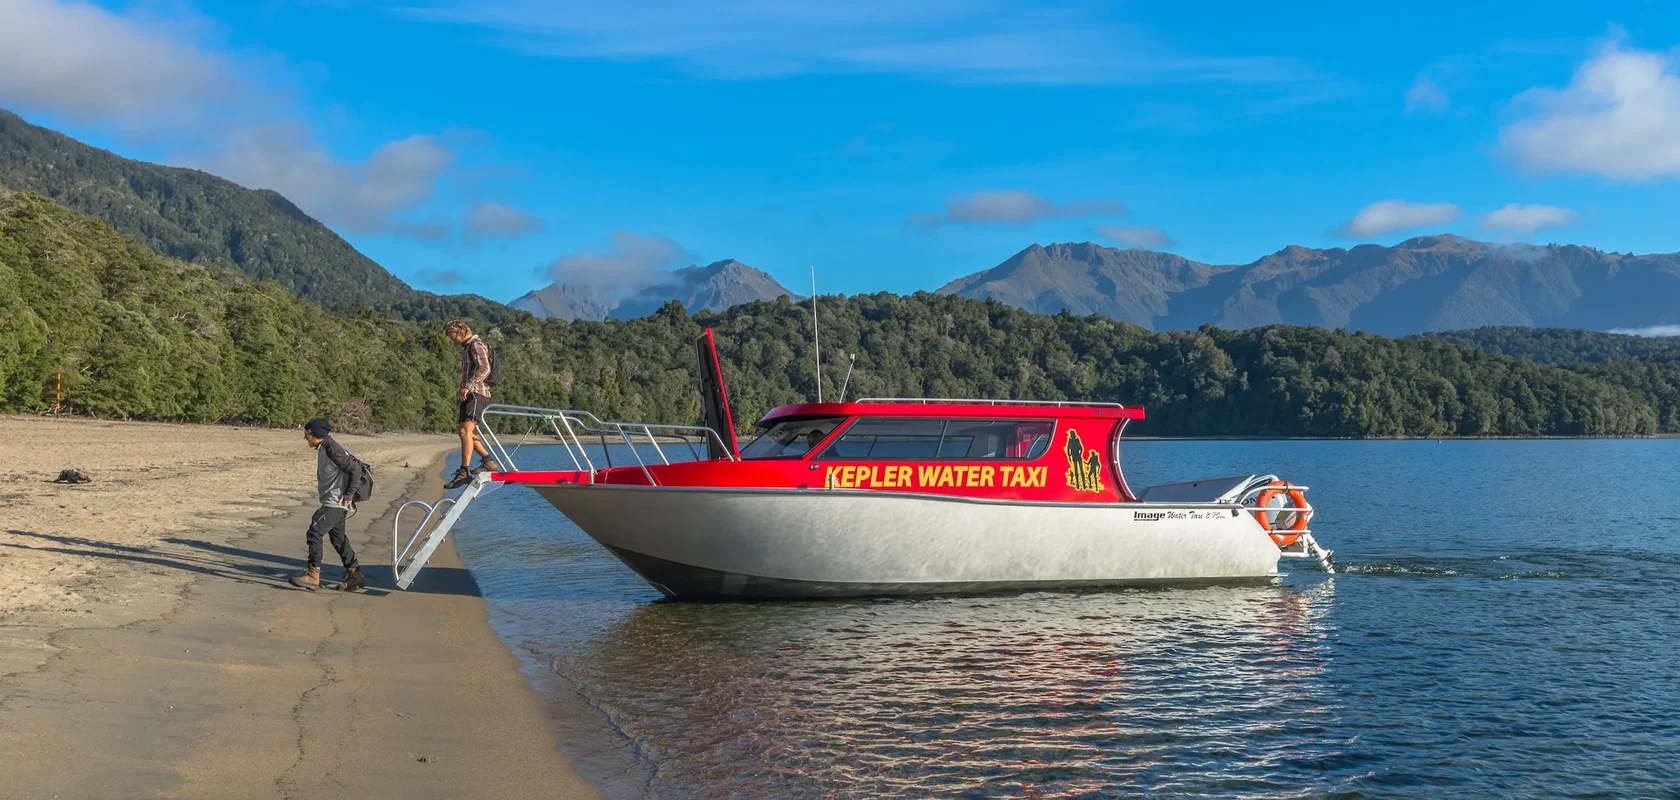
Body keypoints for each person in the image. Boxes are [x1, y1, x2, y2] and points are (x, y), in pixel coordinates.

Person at [291, 419, 366, 591]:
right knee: (338, 539)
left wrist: (348, 495)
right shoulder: (326, 446)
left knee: (314, 532)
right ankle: (355, 574)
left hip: (336, 502)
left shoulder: (332, 449)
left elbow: (355, 470)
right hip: (336, 502)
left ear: (314, 434)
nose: (305, 438)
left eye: (306, 434)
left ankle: (313, 575)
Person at [444, 320, 502, 489]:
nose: (451, 340)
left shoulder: (476, 344)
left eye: (452, 336)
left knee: (465, 431)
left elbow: (485, 369)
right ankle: (489, 461)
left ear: (460, 331)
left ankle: (464, 471)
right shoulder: (469, 347)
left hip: (477, 393)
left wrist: (467, 386)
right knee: (464, 431)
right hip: (471, 393)